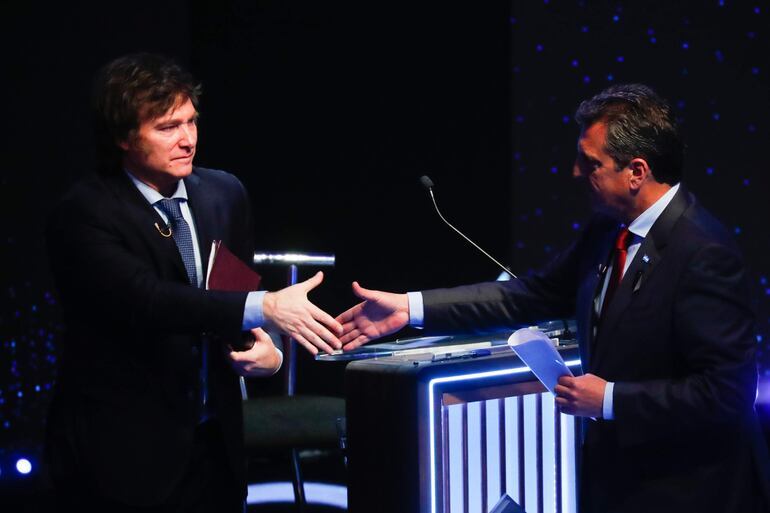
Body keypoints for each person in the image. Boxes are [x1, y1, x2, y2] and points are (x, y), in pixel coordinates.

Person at [336, 84, 770, 512]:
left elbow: (727, 392)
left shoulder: (704, 252)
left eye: (590, 162)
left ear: (636, 172)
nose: (576, 173)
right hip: (617, 483)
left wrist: (610, 399)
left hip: (688, 491)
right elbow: (529, 295)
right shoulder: (608, 230)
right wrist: (410, 308)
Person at [44, 53, 343, 512]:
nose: (187, 140)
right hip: (123, 451)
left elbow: (231, 295)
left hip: (214, 444)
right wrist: (265, 306)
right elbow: (147, 300)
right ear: (124, 137)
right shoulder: (85, 211)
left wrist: (267, 350)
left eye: (191, 122)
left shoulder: (224, 193)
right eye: (167, 127)